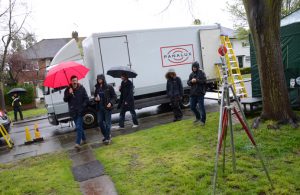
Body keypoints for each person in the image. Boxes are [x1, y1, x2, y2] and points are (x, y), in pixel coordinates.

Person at [64, 75, 89, 149]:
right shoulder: (68, 89)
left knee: (78, 127)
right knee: (79, 127)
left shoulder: (81, 88)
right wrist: (69, 93)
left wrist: (83, 106)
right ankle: (84, 139)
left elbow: (86, 99)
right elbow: (65, 99)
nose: (74, 82)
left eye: (76, 80)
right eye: (73, 81)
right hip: (73, 111)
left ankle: (77, 143)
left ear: (77, 81)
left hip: (80, 111)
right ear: (70, 81)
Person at [94, 74, 117, 145]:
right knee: (100, 122)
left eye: (100, 79)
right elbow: (95, 97)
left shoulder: (108, 87)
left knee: (107, 124)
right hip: (99, 108)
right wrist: (96, 99)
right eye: (98, 79)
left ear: (103, 79)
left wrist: (111, 103)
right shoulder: (97, 88)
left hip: (107, 108)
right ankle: (106, 136)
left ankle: (107, 138)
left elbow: (114, 96)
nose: (99, 80)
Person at [187, 61, 207, 126]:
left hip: (200, 93)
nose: (194, 68)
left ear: (198, 67)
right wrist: (191, 81)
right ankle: (198, 117)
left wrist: (197, 80)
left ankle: (203, 121)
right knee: (192, 107)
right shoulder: (191, 74)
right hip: (193, 94)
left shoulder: (201, 73)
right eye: (193, 67)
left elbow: (204, 81)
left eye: (195, 67)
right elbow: (188, 83)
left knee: (201, 107)